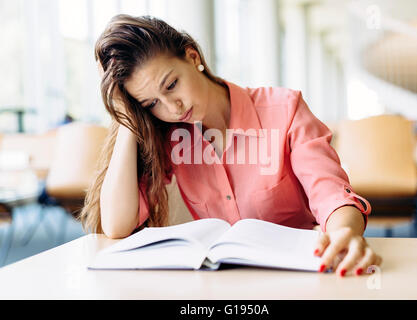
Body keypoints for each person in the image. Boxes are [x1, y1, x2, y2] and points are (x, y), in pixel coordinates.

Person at [79, 14, 382, 277]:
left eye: (171, 84)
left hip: (298, 276)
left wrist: (345, 234)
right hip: (219, 283)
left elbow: (331, 196)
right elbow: (117, 225)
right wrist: (125, 117)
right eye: (151, 102)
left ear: (193, 57)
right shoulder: (167, 135)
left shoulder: (284, 109)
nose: (172, 107)